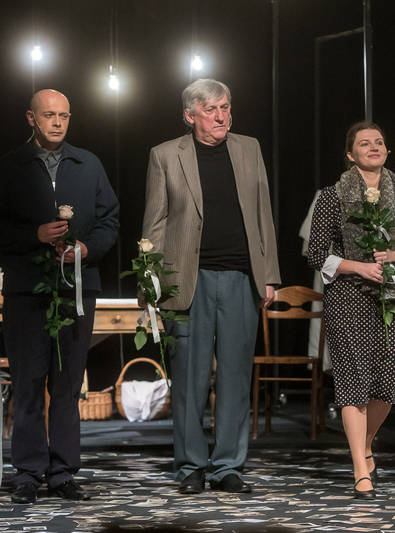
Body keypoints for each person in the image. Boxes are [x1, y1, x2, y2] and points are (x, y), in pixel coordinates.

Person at [141, 79, 280, 494]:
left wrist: (270, 274)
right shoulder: (165, 155)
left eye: (225, 107)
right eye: (211, 110)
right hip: (188, 281)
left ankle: (228, 466)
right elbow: (155, 223)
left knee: (237, 376)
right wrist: (152, 283)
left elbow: (262, 213)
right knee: (189, 378)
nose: (222, 116)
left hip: (241, 277)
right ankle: (190, 467)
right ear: (189, 115)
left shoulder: (248, 147)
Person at [0, 90, 120, 503]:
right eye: (49, 115)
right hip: (25, 289)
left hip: (76, 287)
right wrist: (32, 236)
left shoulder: (88, 163)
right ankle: (28, 473)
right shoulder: (10, 166)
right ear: (30, 117)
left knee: (67, 385)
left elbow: (109, 219)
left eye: (64, 116)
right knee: (29, 382)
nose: (57, 122)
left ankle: (64, 472)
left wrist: (87, 248)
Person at [308, 122, 395, 499]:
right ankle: (360, 467)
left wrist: (394, 256)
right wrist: (358, 267)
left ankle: (366, 443)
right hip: (348, 297)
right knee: (353, 383)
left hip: (391, 297)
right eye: (364, 143)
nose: (374, 147)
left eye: (379, 142)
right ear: (350, 154)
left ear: (387, 151)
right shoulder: (332, 196)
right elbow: (316, 253)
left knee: (388, 387)